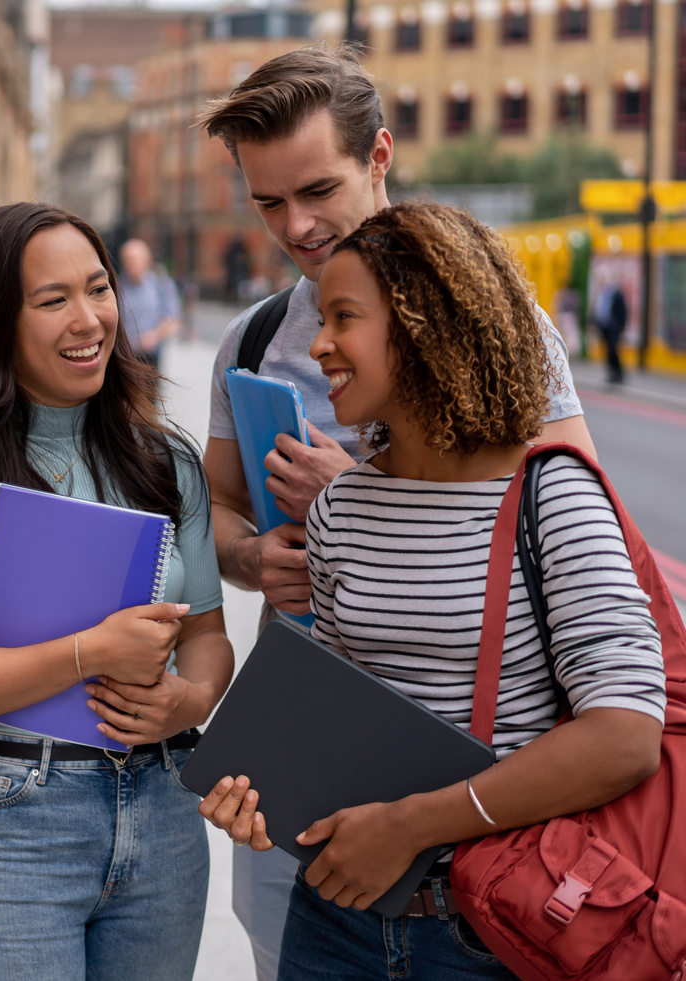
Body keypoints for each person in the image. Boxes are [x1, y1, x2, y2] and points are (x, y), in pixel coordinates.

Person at [193, 44, 598, 979]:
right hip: (310, 739)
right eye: (266, 202)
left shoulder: (502, 324)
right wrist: (258, 559)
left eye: (317, 190)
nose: (296, 226)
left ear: (379, 156)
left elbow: (564, 505)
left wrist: (358, 499)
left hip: (488, 767)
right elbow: (208, 517)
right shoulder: (251, 339)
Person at [0, 202, 234, 981]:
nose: (89, 319)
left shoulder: (166, 466)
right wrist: (87, 652)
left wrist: (189, 701)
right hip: (13, 817)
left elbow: (206, 633)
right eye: (52, 300)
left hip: (164, 807)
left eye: (99, 289)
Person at [118, 238, 182, 369]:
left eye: (133, 259)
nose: (129, 264)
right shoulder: (117, 286)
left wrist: (155, 336)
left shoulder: (161, 284)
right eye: (126, 260)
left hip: (150, 357)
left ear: (146, 260)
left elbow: (174, 321)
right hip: (123, 357)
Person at [593, 272, 628, 383]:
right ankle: (611, 374)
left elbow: (623, 311)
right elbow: (598, 309)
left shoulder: (617, 294)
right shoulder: (601, 293)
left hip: (614, 327)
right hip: (604, 326)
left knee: (613, 350)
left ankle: (618, 373)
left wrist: (622, 326)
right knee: (607, 351)